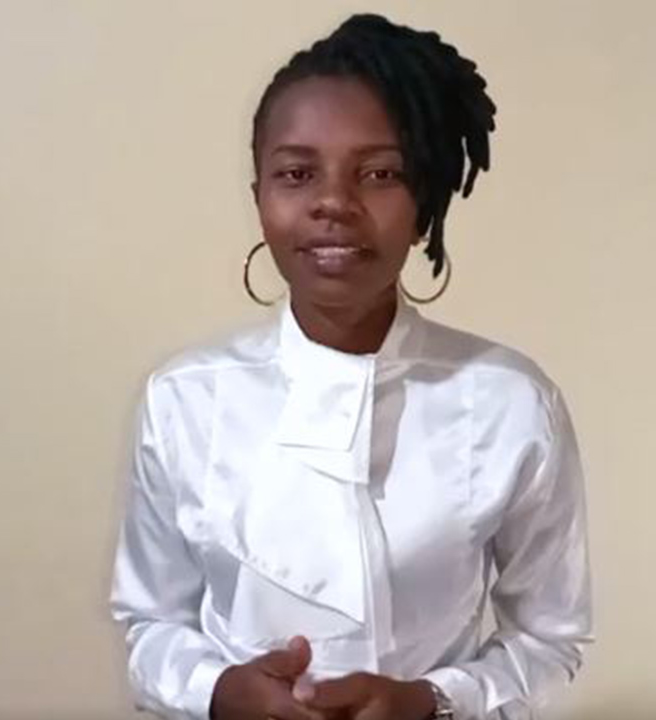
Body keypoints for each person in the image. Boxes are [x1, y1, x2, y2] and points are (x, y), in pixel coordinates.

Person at [110, 13, 592, 720]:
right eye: (297, 173)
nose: (334, 202)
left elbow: (550, 640)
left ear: (424, 203)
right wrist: (218, 692)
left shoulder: (510, 403)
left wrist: (434, 700)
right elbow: (150, 626)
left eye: (380, 173)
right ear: (260, 198)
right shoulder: (186, 399)